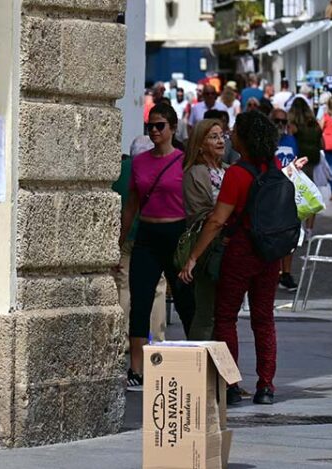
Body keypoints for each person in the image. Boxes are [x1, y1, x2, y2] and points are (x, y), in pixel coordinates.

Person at [179, 111, 304, 406]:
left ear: (245, 138)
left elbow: (216, 220)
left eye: (235, 131)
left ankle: (232, 383)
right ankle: (266, 386)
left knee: (225, 317)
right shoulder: (273, 168)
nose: (229, 135)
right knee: (264, 319)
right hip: (270, 255)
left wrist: (193, 257)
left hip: (241, 251)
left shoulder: (236, 173)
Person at [120, 103, 196, 390]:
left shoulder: (184, 161)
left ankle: (196, 361)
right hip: (147, 235)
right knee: (140, 302)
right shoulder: (139, 162)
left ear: (173, 128)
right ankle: (136, 368)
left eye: (159, 125)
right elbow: (131, 205)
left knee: (187, 302)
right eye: (150, 126)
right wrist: (121, 240)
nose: (154, 130)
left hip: (176, 234)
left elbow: (194, 201)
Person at [113, 135, 168, 348]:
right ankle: (157, 337)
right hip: (151, 233)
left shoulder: (120, 170)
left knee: (124, 285)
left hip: (125, 236)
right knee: (158, 286)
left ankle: (124, 339)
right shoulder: (155, 169)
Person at [182, 119, 227, 340]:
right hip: (208, 248)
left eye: (221, 135)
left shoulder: (226, 170)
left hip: (228, 246)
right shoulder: (195, 173)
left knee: (223, 314)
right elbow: (198, 214)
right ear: (200, 144)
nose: (220, 141)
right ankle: (197, 366)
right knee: (206, 313)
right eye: (213, 137)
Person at [271, 108, 300, 291]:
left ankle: (286, 273)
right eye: (277, 121)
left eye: (283, 122)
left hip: (289, 191)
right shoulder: (267, 142)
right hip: (272, 192)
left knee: (290, 234)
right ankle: (274, 272)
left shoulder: (291, 140)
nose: (280, 125)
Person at [289, 97, 323, 238]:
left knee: (295, 194)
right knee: (310, 193)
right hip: (313, 160)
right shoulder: (314, 124)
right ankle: (309, 229)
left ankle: (297, 227)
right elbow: (321, 143)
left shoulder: (293, 125)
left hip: (298, 160)